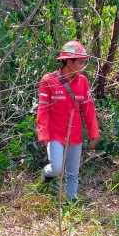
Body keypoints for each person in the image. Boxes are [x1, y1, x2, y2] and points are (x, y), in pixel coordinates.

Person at [36, 41, 100, 201]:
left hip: (75, 134)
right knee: (57, 168)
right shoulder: (48, 81)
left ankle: (71, 202)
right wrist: (42, 133)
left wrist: (94, 133)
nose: (83, 65)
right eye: (80, 61)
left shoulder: (83, 81)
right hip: (55, 135)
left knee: (73, 172)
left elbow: (88, 109)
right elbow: (42, 109)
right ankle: (46, 175)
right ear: (69, 62)